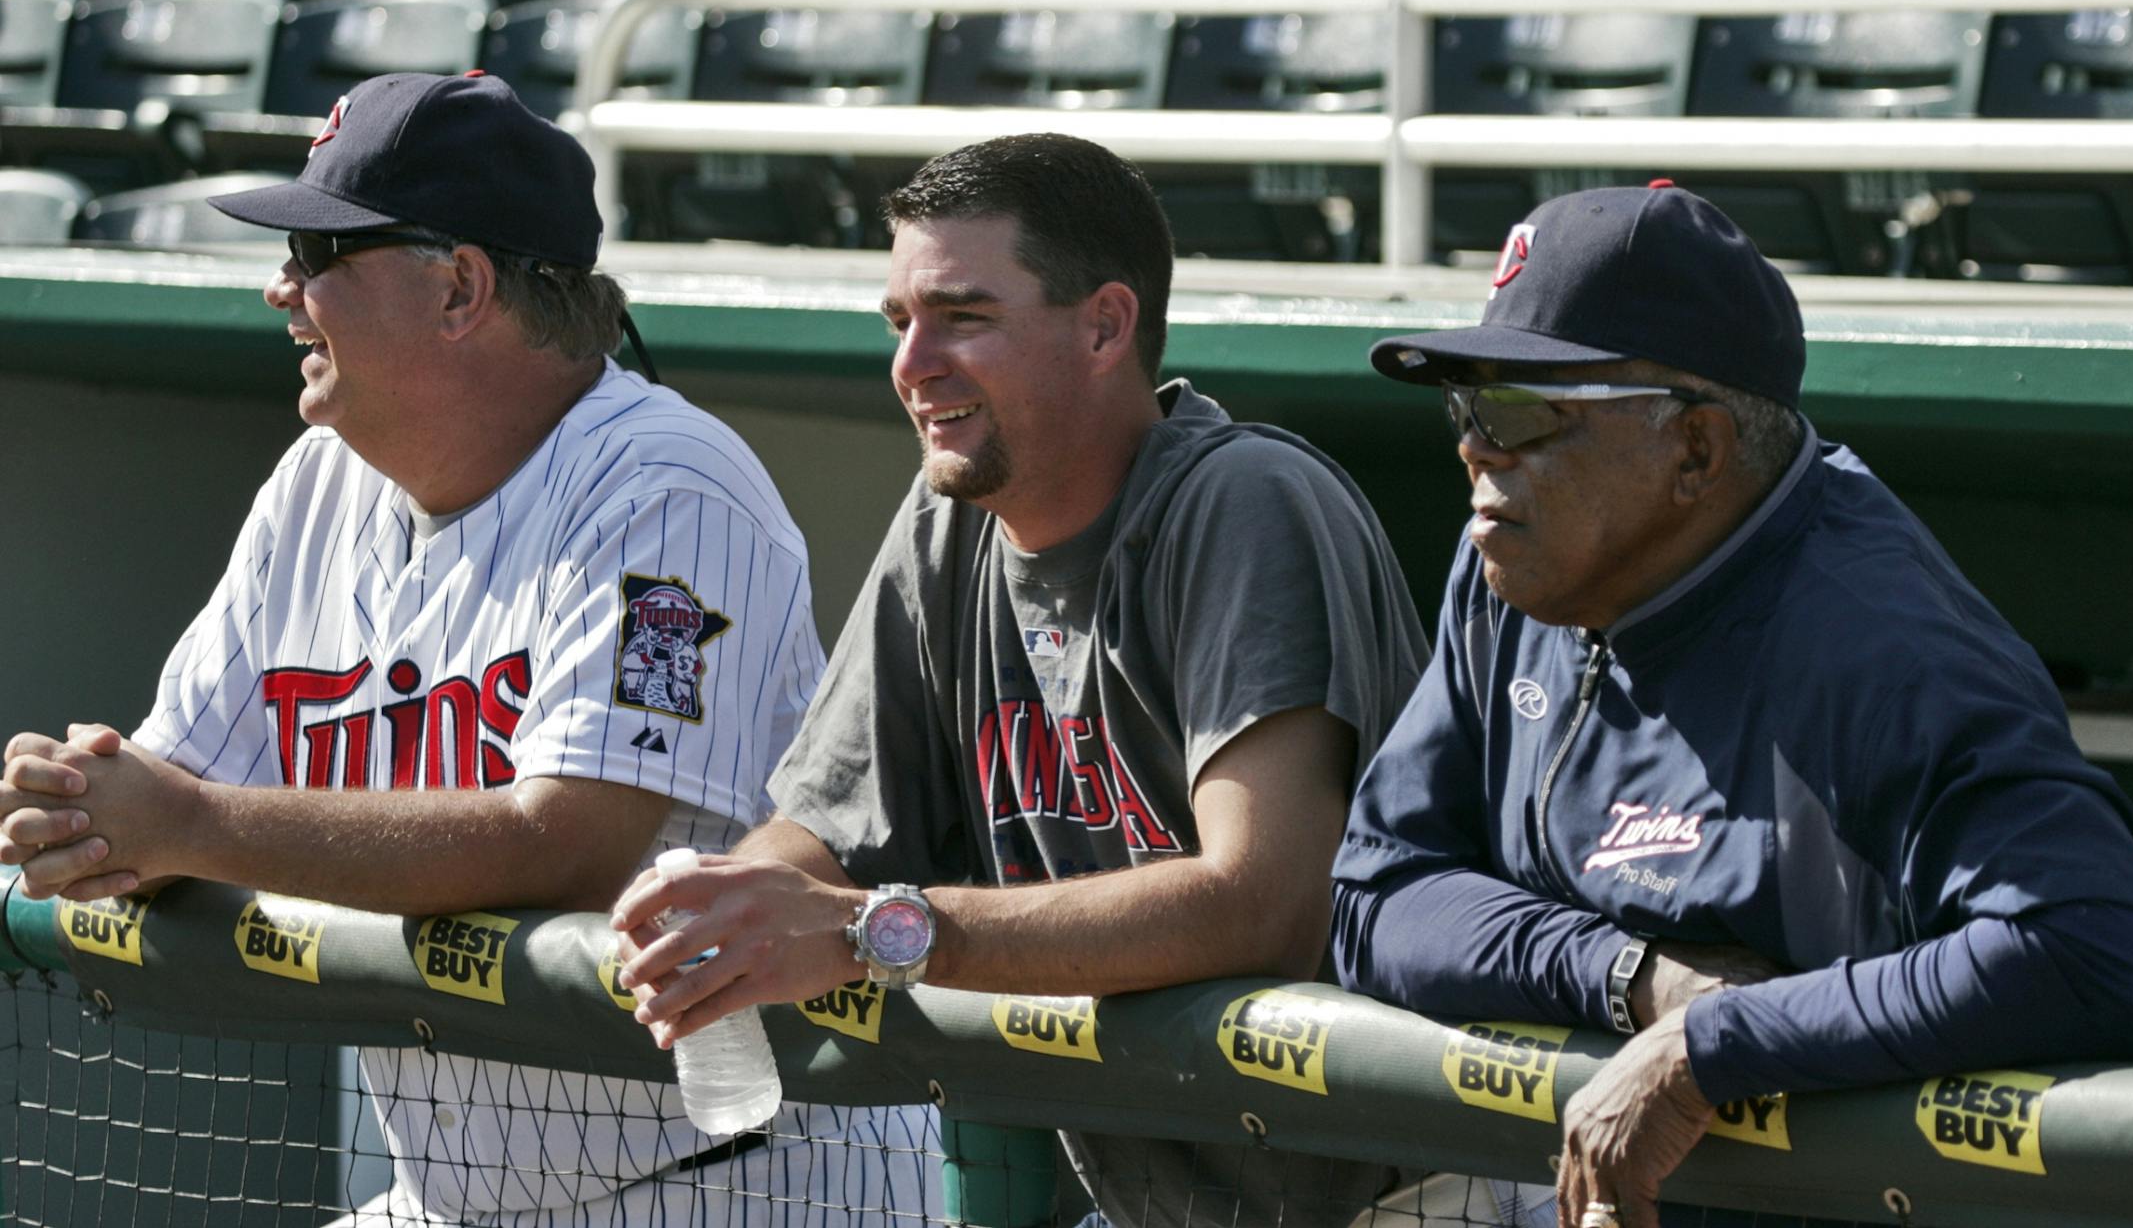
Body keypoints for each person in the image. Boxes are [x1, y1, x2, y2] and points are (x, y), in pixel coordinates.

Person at [0, 71, 936, 1227]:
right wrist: (85, 806)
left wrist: (182, 823)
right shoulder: (319, 485)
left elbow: (575, 843)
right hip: (465, 1192)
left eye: (320, 251)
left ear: (460, 286)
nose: (281, 287)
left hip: (745, 1181)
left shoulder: (668, 488)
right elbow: (173, 785)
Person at [608, 132, 1433, 1228]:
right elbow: (832, 829)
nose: (912, 365)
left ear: (1103, 324)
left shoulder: (1245, 502)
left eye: (964, 315)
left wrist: (875, 932)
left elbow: (1265, 898)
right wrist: (729, 900)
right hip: (1163, 1202)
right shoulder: (948, 525)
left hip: (1413, 1187)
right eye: (900, 322)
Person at [1329, 182, 2133, 1228]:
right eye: (1463, 406)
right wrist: (1633, 979)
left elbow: (2096, 944)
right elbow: (1376, 890)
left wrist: (1714, 1044)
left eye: (1519, 409)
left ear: (1697, 450)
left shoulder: (1878, 641)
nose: (1474, 451)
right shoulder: (1513, 573)